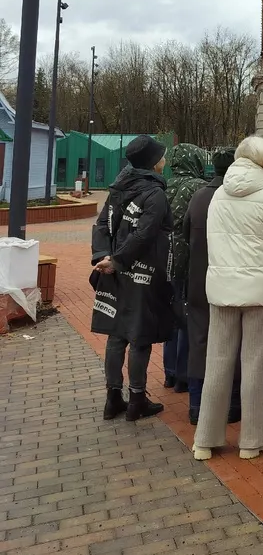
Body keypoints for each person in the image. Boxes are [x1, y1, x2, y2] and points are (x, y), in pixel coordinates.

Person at [192, 135, 263, 461]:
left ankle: (205, 440)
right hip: (259, 292)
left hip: (222, 288)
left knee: (217, 363)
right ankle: (253, 440)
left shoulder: (218, 196)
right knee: (255, 365)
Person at [90, 135, 174, 422]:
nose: (165, 159)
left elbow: (102, 224)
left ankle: (113, 398)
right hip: (142, 273)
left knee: (117, 335)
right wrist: (116, 260)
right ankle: (137, 399)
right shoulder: (155, 193)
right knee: (139, 335)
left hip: (113, 271)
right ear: (153, 161)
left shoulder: (117, 187)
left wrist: (103, 257)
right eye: (161, 155)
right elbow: (145, 234)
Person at [183, 146, 240, 426]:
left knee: (200, 340)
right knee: (234, 340)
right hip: (231, 280)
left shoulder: (199, 197)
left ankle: (196, 405)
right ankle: (232, 404)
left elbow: (184, 234)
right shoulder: (240, 198)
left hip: (199, 280)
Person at [163, 143, 208, 393]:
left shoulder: (164, 184)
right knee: (188, 317)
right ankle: (183, 373)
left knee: (171, 314)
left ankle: (169, 372)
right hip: (188, 259)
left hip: (164, 259)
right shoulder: (197, 186)